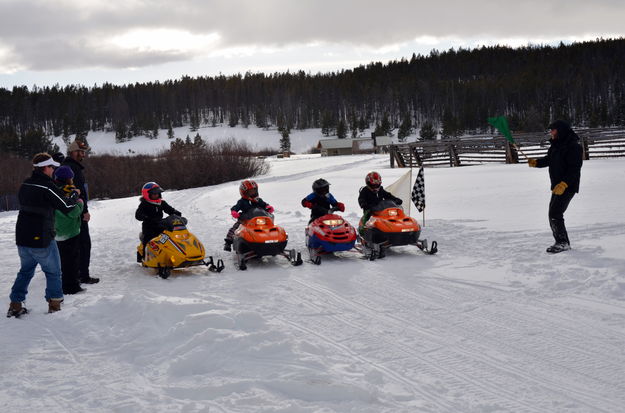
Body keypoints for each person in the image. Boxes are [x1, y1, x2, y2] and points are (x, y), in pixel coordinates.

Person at [7, 153, 80, 317]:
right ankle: (54, 305)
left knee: (25, 271)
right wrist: (75, 194)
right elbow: (67, 206)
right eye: (52, 167)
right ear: (46, 168)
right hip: (41, 237)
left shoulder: (26, 184)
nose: (54, 170)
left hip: (22, 236)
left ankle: (15, 304)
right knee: (53, 272)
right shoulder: (47, 186)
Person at [528, 120, 583, 253]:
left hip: (567, 186)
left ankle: (563, 242)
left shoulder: (573, 146)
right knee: (553, 213)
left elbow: (574, 169)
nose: (551, 132)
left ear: (560, 130)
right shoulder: (556, 145)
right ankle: (561, 241)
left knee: (555, 213)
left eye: (553, 130)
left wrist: (564, 184)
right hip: (557, 186)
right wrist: (536, 162)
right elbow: (549, 159)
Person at [63, 140, 99, 284]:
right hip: (76, 212)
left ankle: (76, 273)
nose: (83, 154)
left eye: (84, 152)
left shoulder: (67, 166)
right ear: (72, 152)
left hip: (69, 212)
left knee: (75, 244)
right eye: (80, 151)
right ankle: (83, 275)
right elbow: (79, 193)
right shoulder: (73, 168)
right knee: (83, 244)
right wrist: (84, 211)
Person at [53, 165, 85, 294]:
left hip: (58, 230)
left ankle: (66, 284)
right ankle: (71, 287)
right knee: (71, 261)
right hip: (69, 230)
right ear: (69, 178)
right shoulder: (68, 192)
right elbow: (72, 212)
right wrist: (80, 203)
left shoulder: (53, 190)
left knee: (63, 260)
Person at [224, 179, 274, 251]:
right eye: (250, 192)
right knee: (235, 228)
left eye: (254, 190)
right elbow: (235, 207)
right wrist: (234, 212)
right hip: (246, 220)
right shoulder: (242, 201)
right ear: (244, 192)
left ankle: (271, 240)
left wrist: (268, 208)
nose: (253, 193)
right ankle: (228, 242)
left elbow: (265, 205)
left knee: (269, 227)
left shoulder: (258, 200)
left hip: (259, 219)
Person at [135, 182, 182, 258]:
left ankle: (175, 254)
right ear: (147, 194)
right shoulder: (144, 204)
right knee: (148, 239)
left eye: (158, 193)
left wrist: (176, 213)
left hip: (161, 225)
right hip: (149, 227)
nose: (156, 195)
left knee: (170, 237)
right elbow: (138, 215)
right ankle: (145, 257)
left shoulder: (161, 203)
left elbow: (169, 210)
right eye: (154, 193)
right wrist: (145, 217)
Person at [357, 171, 403, 236]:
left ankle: (396, 229)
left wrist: (395, 199)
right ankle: (362, 231)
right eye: (373, 185)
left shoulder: (380, 190)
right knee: (367, 216)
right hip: (370, 210)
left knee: (393, 215)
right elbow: (361, 198)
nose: (375, 186)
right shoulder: (365, 190)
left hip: (381, 209)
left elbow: (388, 195)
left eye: (377, 184)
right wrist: (363, 204)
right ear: (368, 183)